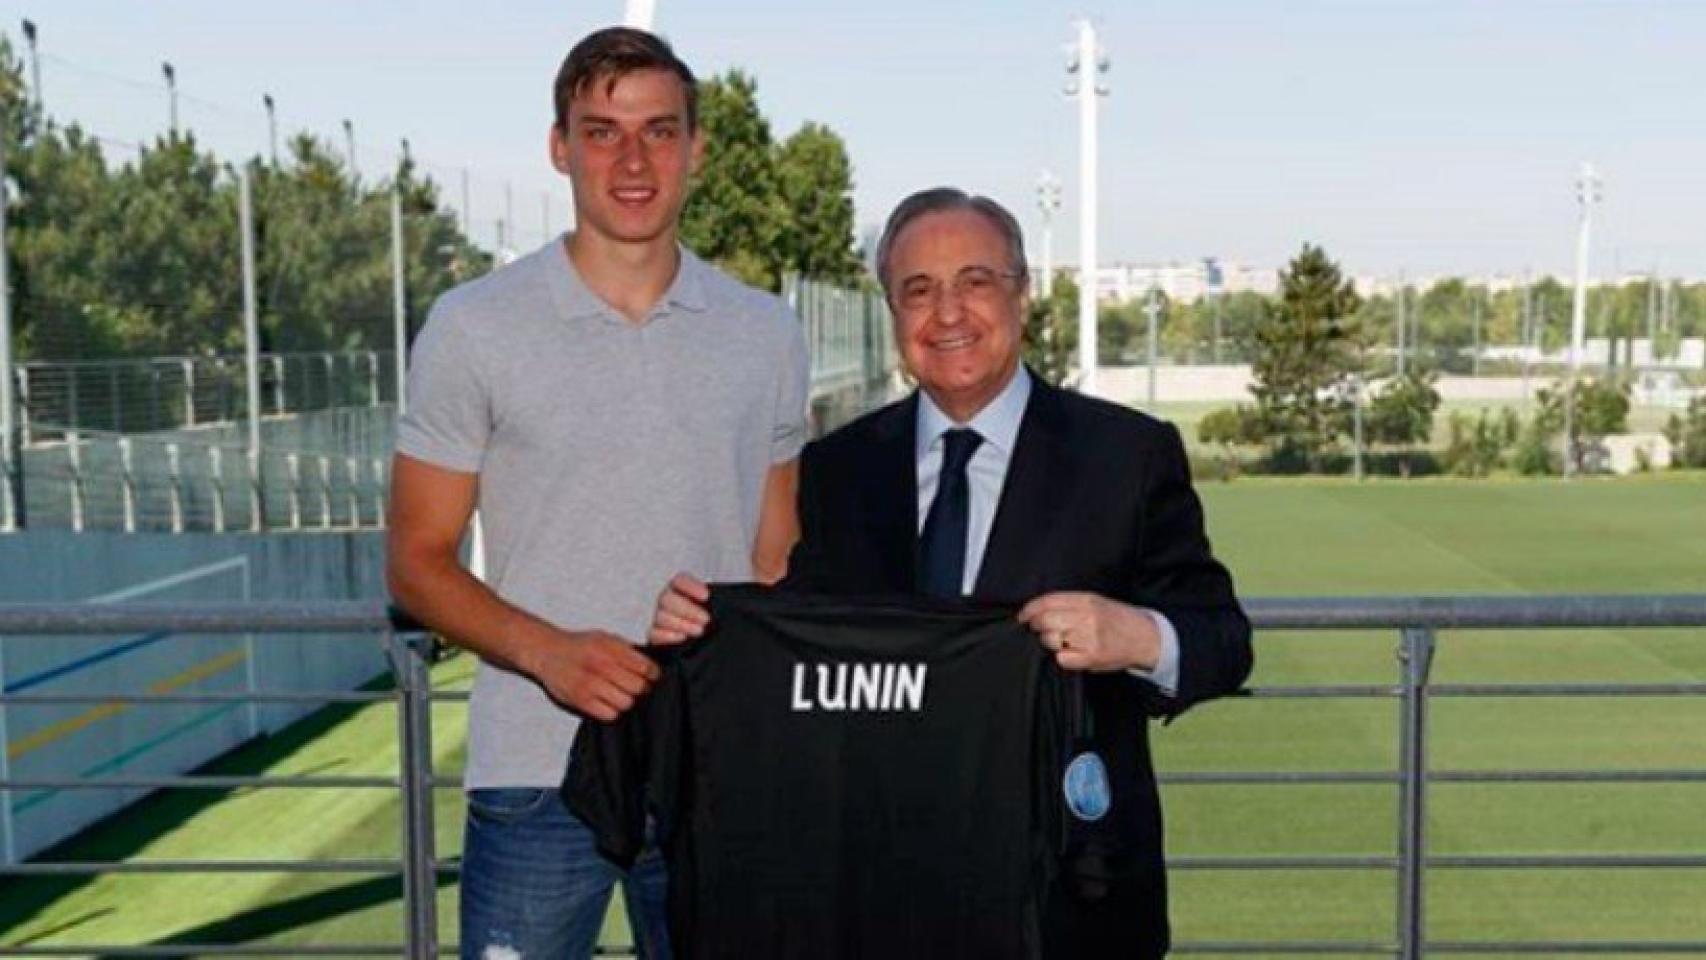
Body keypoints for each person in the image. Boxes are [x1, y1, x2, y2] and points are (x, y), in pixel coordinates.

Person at [651, 187, 1251, 958]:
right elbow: (807, 642)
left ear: (1023, 296)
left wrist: (1134, 636)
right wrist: (707, 630)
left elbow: (1224, 640)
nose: (948, 313)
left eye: (975, 281)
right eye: (918, 290)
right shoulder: (838, 468)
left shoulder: (1126, 456)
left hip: (1068, 896)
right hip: (882, 892)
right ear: (894, 315)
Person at [386, 27, 808, 960]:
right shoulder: (472, 327)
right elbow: (416, 562)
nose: (631, 159)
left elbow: (778, 559)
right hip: (536, 771)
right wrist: (551, 653)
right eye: (602, 130)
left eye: (659, 131)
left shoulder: (766, 333)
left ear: (697, 149)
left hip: (717, 773)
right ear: (559, 146)